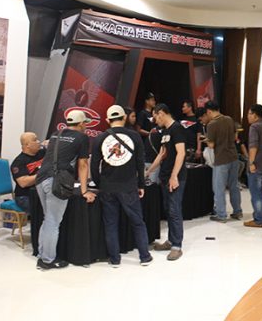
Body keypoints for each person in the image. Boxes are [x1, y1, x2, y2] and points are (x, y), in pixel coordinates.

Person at [91, 105, 152, 267]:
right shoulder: (135, 136)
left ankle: (115, 259)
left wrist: (99, 183)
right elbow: (140, 163)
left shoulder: (100, 138)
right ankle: (144, 256)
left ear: (107, 120)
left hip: (108, 186)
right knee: (137, 222)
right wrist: (141, 184)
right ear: (124, 117)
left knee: (110, 224)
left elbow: (94, 165)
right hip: (129, 186)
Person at [34, 110, 94, 270]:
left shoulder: (56, 134)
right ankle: (47, 260)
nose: (86, 126)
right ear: (81, 123)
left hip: (41, 179)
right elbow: (83, 164)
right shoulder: (82, 137)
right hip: (56, 182)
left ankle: (42, 254)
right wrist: (84, 190)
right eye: (85, 123)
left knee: (48, 219)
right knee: (53, 222)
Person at [146, 104, 186, 261]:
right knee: (168, 209)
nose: (155, 120)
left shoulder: (177, 129)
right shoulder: (165, 131)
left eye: (156, 116)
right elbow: (162, 154)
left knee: (174, 210)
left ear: (161, 113)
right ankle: (170, 241)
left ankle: (177, 246)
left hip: (175, 177)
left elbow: (181, 153)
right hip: (164, 176)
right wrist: (148, 171)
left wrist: (174, 176)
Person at [205, 101, 243, 222]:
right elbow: (235, 137)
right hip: (234, 157)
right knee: (234, 186)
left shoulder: (211, 124)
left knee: (219, 187)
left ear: (209, 111)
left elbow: (211, 145)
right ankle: (237, 212)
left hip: (221, 159)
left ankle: (221, 214)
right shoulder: (229, 119)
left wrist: (206, 140)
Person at [10, 132, 45, 214]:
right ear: (27, 145)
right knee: (45, 211)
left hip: (41, 193)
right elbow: (23, 183)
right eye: (35, 140)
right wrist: (43, 174)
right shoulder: (18, 162)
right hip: (25, 196)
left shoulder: (42, 153)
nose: (38, 141)